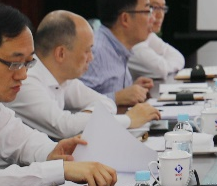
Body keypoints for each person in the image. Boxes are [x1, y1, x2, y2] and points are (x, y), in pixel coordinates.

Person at [0, 3, 118, 186]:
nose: (23, 75)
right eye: (14, 63)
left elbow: (25, 142)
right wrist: (60, 170)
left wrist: (55, 152)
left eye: (28, 63)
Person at [9, 10, 160, 139]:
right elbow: (64, 128)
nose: (91, 58)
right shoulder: (27, 80)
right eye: (87, 51)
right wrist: (128, 120)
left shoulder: (65, 78)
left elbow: (107, 103)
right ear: (61, 53)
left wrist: (87, 117)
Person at [80, 0, 155, 107]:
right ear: (125, 19)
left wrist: (131, 89)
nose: (152, 18)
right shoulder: (95, 51)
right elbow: (73, 104)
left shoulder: (119, 46)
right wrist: (116, 97)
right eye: (147, 11)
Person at [128, 0, 185, 80]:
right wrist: (165, 65)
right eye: (154, 8)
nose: (160, 15)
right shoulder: (132, 40)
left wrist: (165, 65)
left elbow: (178, 57)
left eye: (163, 8)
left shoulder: (148, 35)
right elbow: (160, 70)